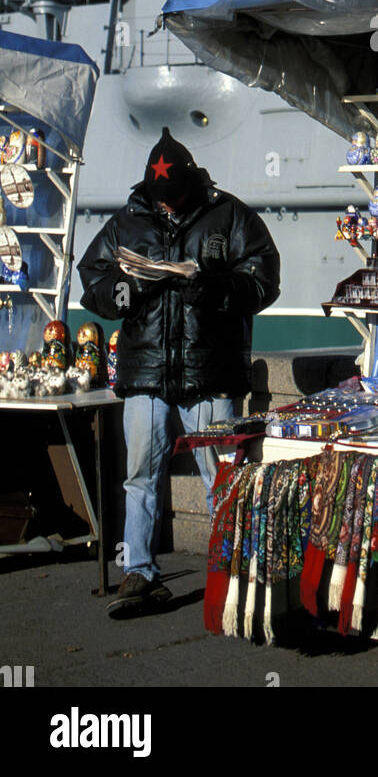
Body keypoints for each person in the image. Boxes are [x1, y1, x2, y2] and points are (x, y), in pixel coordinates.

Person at [78, 127, 280, 614]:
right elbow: (94, 277)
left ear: (191, 184)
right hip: (147, 374)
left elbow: (265, 278)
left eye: (174, 198)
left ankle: (230, 571)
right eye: (160, 198)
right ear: (150, 189)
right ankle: (139, 572)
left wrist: (219, 289)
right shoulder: (127, 221)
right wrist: (122, 293)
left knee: (221, 477)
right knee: (139, 476)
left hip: (208, 374)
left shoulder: (229, 215)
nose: (167, 206)